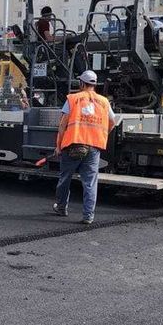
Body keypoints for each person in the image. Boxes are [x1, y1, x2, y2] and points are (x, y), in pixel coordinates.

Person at [53, 70, 119, 225]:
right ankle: (88, 215)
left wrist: (58, 146)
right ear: (95, 84)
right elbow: (113, 122)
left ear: (82, 83)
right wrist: (102, 133)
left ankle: (62, 207)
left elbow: (62, 124)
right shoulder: (104, 101)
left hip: (73, 145)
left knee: (65, 178)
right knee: (90, 182)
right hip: (93, 147)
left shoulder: (73, 99)